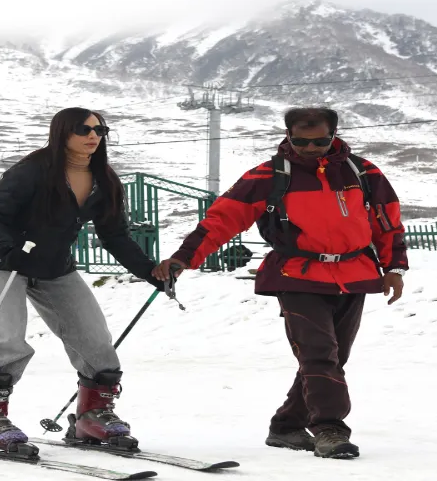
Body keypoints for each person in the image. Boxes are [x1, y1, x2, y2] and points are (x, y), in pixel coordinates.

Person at [153, 107, 408, 459]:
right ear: (288, 136)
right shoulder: (268, 175)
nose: (310, 148)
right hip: (295, 275)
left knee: (334, 358)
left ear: (333, 135)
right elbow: (222, 219)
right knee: (320, 354)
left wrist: (395, 267)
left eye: (319, 141)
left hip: (354, 274)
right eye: (301, 142)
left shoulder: (363, 172)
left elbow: (387, 221)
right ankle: (330, 429)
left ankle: (287, 426)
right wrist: (184, 258)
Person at [0, 107, 166, 456]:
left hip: (55, 267)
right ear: (62, 132)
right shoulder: (31, 171)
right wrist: (9, 252)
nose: (93, 135)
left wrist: (149, 271)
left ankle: (92, 417)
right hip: (2, 264)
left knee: (94, 338)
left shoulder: (104, 180)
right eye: (83, 129)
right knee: (4, 339)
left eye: (100, 130)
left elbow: (115, 236)